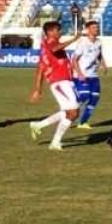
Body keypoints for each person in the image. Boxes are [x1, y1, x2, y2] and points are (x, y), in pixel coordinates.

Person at [28, 21, 82, 150]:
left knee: (71, 112)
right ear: (50, 32)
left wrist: (38, 89)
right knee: (73, 112)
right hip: (60, 82)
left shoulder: (44, 48)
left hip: (65, 81)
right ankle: (55, 142)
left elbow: (40, 69)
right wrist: (74, 39)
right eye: (58, 30)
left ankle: (39, 125)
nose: (60, 32)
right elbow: (55, 49)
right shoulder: (51, 44)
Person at [72, 20, 107, 129]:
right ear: (88, 30)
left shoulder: (99, 42)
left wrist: (103, 64)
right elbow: (74, 60)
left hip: (93, 75)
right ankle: (68, 110)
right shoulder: (82, 42)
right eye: (94, 27)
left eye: (97, 27)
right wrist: (80, 73)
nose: (97, 29)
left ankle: (83, 123)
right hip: (82, 75)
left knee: (94, 98)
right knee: (84, 96)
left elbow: (100, 54)